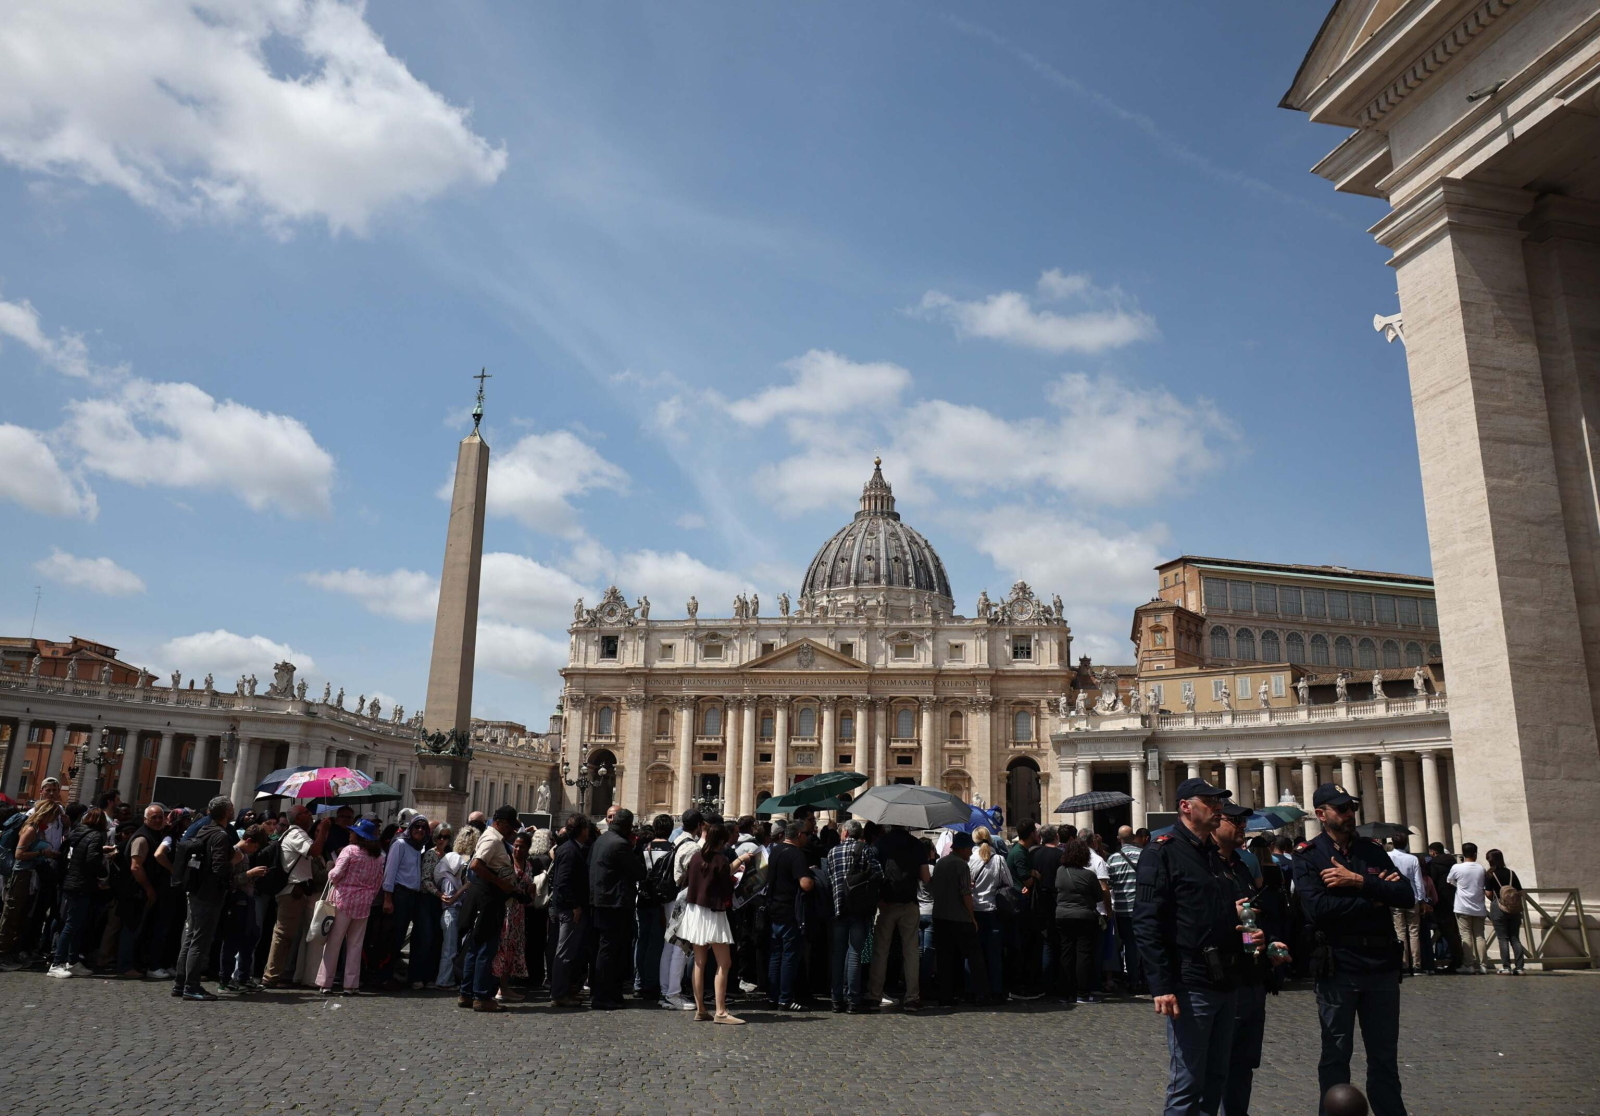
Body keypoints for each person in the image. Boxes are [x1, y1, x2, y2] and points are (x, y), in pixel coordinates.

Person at [1132, 778, 1257, 1116]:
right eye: (1210, 801)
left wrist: (1251, 939)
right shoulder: (1162, 851)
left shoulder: (1213, 857)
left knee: (1216, 1077)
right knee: (1187, 1083)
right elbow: (1146, 922)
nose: (1218, 807)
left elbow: (1227, 915)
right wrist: (1160, 985)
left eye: (1219, 802)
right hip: (1190, 983)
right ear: (1186, 806)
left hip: (1225, 979)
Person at [1293, 783, 1415, 1116]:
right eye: (1341, 808)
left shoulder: (1372, 851)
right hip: (1338, 966)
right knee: (1335, 1054)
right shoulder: (1307, 855)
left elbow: (1406, 896)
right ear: (1321, 814)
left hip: (1380, 966)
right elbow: (1319, 909)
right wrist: (1376, 898)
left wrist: (1357, 882)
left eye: (1351, 807)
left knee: (1384, 1057)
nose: (1349, 814)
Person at [1216, 802, 1290, 1116]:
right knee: (1217, 1063)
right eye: (1235, 820)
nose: (1243, 826)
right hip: (1219, 978)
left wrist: (1265, 943)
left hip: (1250, 976)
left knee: (1244, 1062)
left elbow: (1248, 922)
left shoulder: (1243, 867)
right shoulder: (1202, 868)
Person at [679, 821, 755, 1023]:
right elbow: (725, 883)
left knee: (699, 962)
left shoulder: (696, 857)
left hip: (695, 911)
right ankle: (720, 1011)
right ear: (721, 841)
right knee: (725, 962)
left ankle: (701, 1008)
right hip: (713, 913)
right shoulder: (720, 859)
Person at [458, 805, 527, 1012]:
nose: (512, 832)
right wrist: (501, 883)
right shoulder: (493, 839)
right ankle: (482, 996)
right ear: (500, 823)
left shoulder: (493, 837)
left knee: (476, 947)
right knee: (486, 949)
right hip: (488, 897)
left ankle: (467, 993)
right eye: (510, 827)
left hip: (485, 896)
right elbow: (476, 865)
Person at [171, 796, 240, 1001]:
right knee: (200, 940)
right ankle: (191, 986)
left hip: (196, 890)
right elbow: (219, 868)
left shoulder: (204, 829)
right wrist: (233, 861)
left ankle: (180, 983)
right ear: (227, 813)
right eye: (231, 808)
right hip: (209, 893)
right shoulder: (220, 835)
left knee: (191, 938)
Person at [314, 818, 385, 997]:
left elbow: (336, 875)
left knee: (334, 943)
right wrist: (368, 895)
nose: (350, 833)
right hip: (364, 903)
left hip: (343, 901)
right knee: (355, 944)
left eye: (353, 831)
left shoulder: (349, 851)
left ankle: (326, 982)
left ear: (359, 835)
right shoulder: (378, 856)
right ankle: (350, 984)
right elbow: (378, 882)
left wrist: (330, 868)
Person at [262, 804, 329, 988]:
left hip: (298, 890)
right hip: (292, 891)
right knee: (283, 934)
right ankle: (271, 975)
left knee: (290, 935)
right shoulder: (296, 834)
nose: (310, 814)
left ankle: (280, 973)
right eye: (307, 812)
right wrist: (323, 831)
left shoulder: (298, 833)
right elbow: (314, 851)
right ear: (298, 817)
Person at [823, 818, 882, 1013]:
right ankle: (853, 1000)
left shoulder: (832, 852)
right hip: (859, 908)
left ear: (846, 833)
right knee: (855, 953)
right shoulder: (865, 850)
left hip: (838, 907)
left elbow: (831, 877)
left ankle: (835, 999)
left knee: (837, 954)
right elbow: (879, 874)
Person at [868, 821, 928, 1011]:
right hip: (909, 903)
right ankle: (912, 997)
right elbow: (926, 877)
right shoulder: (917, 844)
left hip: (886, 904)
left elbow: (872, 873)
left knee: (880, 951)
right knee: (910, 952)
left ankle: (875, 994)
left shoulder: (880, 843)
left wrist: (878, 898)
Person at [590, 808, 645, 1010]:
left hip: (601, 901)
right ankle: (604, 996)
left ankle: (605, 992)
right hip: (615, 903)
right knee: (610, 951)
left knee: (604, 949)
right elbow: (639, 872)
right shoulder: (620, 844)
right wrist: (634, 847)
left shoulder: (602, 840)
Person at [48, 806, 112, 977]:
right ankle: (57, 963)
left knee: (76, 923)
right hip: (82, 884)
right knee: (72, 924)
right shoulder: (97, 836)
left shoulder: (78, 832)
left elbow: (81, 852)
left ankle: (72, 960)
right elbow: (91, 858)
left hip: (71, 881)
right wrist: (102, 873)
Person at [930, 831, 987, 1007]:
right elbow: (966, 894)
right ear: (962, 849)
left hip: (940, 916)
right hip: (960, 919)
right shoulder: (961, 866)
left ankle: (946, 996)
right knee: (975, 958)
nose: (971, 853)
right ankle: (981, 995)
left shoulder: (940, 863)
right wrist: (972, 917)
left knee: (945, 959)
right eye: (969, 849)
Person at [380, 814, 433, 990]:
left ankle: (409, 975)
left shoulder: (419, 848)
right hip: (400, 894)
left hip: (414, 896)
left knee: (413, 937)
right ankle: (385, 976)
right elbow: (390, 871)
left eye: (423, 828)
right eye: (416, 827)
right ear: (410, 828)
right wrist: (388, 898)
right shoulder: (400, 844)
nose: (419, 830)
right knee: (395, 937)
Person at [117, 803, 170, 979]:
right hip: (136, 891)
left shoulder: (153, 835)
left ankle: (134, 963)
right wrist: (148, 888)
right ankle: (125, 966)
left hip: (142, 890)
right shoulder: (142, 838)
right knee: (131, 928)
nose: (157, 820)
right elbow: (136, 867)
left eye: (160, 817)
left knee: (139, 929)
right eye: (153, 817)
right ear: (145, 819)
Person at [659, 809, 704, 1010]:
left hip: (672, 898)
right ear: (699, 825)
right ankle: (673, 993)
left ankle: (666, 989)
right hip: (682, 898)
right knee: (680, 946)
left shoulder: (676, 839)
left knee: (670, 944)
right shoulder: (692, 847)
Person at [218, 824, 271, 992]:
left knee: (250, 937)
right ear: (248, 840)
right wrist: (250, 874)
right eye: (254, 846)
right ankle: (225, 979)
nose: (255, 850)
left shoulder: (244, 855)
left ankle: (243, 976)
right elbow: (229, 879)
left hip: (247, 899)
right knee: (232, 941)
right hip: (236, 901)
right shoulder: (235, 853)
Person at [548, 813, 592, 1008]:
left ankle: (564, 991)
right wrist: (574, 905)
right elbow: (563, 882)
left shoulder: (569, 849)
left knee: (567, 951)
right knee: (564, 952)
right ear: (582, 830)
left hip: (568, 907)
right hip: (568, 909)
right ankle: (559, 993)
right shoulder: (570, 851)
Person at [1054, 836, 1104, 1004]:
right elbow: (1098, 896)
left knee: (1066, 953)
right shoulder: (1089, 875)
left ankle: (1065, 992)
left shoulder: (1060, 871)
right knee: (1083, 954)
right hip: (1084, 916)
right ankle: (1082, 992)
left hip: (1062, 915)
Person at [967, 825, 1012, 1006]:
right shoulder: (999, 859)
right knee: (994, 955)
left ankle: (974, 991)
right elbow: (1008, 882)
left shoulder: (969, 859)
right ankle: (996, 991)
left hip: (973, 912)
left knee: (973, 954)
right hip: (992, 911)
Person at [636, 814, 675, 1003]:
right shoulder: (673, 850)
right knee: (656, 943)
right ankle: (652, 984)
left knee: (641, 941)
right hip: (661, 901)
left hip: (643, 897)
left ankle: (639, 982)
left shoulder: (645, 847)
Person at [493, 830, 535, 1002]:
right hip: (506, 911)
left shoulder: (529, 865)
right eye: (515, 846)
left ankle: (505, 986)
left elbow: (528, 888)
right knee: (502, 948)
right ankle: (498, 987)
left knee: (513, 949)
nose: (517, 850)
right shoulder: (507, 863)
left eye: (521, 847)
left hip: (519, 913)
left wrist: (531, 890)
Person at [434, 827, 475, 988]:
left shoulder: (449, 878)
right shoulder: (449, 880)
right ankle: (444, 981)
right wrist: (463, 889)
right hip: (450, 913)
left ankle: (447, 979)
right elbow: (449, 900)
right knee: (449, 950)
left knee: (451, 948)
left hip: (453, 914)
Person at [1107, 824, 1146, 995]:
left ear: (1119, 839)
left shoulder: (1113, 859)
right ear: (1134, 838)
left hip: (1123, 910)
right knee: (1146, 944)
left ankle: (1132, 980)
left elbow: (1109, 885)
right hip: (1143, 908)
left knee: (1128, 945)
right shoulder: (1144, 855)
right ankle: (1145, 979)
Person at [1385, 835, 1428, 976]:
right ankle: (1416, 966)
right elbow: (1418, 881)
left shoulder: (1388, 856)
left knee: (1400, 932)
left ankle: (1403, 964)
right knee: (1414, 933)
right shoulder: (1413, 858)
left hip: (1395, 897)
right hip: (1412, 898)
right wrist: (1421, 899)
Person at [1447, 843, 1490, 975]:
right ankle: (1483, 965)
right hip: (1479, 906)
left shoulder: (1457, 867)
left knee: (1466, 936)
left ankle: (1469, 965)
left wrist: (1459, 886)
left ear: (1463, 854)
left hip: (1462, 906)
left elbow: (1449, 880)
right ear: (1475, 854)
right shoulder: (1481, 869)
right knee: (1479, 936)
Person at [1482, 848, 1526, 975]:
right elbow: (1521, 892)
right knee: (1515, 938)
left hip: (1498, 906)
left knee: (1503, 938)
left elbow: (1489, 894)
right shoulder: (1511, 873)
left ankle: (1506, 967)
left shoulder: (1490, 874)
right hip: (1514, 908)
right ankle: (1520, 967)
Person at [1424, 842, 1461, 972]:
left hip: (1439, 901)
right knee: (1454, 933)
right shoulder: (1454, 864)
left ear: (1433, 852)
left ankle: (1446, 961)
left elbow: (1431, 883)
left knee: (1444, 933)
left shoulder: (1433, 865)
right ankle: (1457, 960)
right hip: (1454, 900)